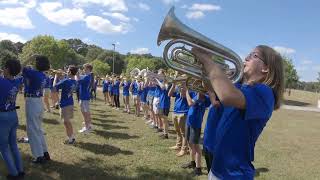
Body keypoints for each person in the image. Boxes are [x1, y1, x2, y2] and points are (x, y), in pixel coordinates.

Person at [193, 45, 284, 179]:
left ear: (266, 68)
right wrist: (205, 67)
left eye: (254, 55)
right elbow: (211, 88)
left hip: (234, 174)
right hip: (219, 169)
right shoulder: (240, 87)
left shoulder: (265, 92)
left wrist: (208, 61)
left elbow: (227, 96)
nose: (246, 57)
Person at [23, 55, 51, 163]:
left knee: (32, 130)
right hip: (39, 101)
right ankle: (44, 152)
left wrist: (29, 57)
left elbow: (20, 67)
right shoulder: (44, 76)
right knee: (38, 129)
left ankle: (38, 156)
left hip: (32, 101)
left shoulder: (34, 73)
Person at [0, 59, 25, 179]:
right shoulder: (16, 81)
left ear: (8, 69)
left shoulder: (1, 81)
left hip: (3, 116)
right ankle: (20, 170)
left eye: (4, 67)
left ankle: (14, 174)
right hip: (13, 115)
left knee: (3, 147)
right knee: (13, 144)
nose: (2, 69)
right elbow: (20, 70)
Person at [181, 90, 211, 176]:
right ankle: (192, 162)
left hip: (195, 124)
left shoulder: (203, 96)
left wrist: (186, 91)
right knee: (190, 144)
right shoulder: (196, 93)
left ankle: (198, 169)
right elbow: (183, 95)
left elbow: (190, 103)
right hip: (189, 122)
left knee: (196, 146)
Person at [52, 65, 78, 144]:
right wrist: (62, 77)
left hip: (65, 104)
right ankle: (71, 137)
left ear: (70, 72)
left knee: (66, 122)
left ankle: (70, 139)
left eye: (67, 70)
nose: (66, 71)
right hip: (70, 103)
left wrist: (56, 76)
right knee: (67, 121)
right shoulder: (74, 81)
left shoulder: (66, 81)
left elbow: (54, 87)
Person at [168, 80, 190, 157]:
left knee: (184, 133)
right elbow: (169, 94)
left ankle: (184, 149)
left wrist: (184, 85)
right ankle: (178, 145)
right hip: (175, 111)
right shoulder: (177, 88)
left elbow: (184, 95)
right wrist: (173, 85)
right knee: (177, 130)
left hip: (184, 112)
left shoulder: (188, 88)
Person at [76, 63, 93, 133]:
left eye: (84, 68)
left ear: (88, 69)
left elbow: (78, 80)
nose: (83, 69)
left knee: (85, 113)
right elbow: (80, 77)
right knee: (85, 112)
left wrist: (77, 75)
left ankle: (86, 127)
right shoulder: (86, 76)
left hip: (84, 97)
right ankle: (88, 125)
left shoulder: (87, 77)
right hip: (83, 96)